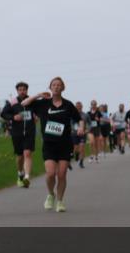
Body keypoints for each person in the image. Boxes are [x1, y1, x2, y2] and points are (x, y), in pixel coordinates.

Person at [21, 77, 83, 213]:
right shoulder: (43, 104)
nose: (56, 87)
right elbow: (24, 103)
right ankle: (51, 194)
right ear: (50, 87)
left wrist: (80, 127)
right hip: (49, 144)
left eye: (59, 85)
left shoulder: (68, 105)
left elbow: (79, 119)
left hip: (65, 144)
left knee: (62, 174)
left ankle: (60, 201)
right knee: (50, 173)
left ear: (63, 88)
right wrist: (38, 95)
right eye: (54, 85)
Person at [1, 82, 36, 187]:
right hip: (17, 132)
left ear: (27, 90)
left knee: (28, 154)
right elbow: (4, 114)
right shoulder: (13, 102)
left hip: (29, 132)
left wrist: (37, 116)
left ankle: (27, 177)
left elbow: (40, 111)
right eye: (20, 89)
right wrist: (13, 117)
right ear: (17, 91)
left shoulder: (32, 101)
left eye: (24, 89)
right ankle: (20, 173)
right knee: (20, 156)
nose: (22, 91)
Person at [73, 101, 89, 168]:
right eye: (77, 106)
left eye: (79, 106)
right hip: (74, 133)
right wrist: (71, 129)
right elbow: (69, 123)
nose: (78, 108)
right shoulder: (72, 114)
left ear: (82, 107)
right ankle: (76, 154)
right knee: (76, 148)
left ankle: (81, 162)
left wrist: (88, 130)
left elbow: (90, 123)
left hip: (83, 134)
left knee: (82, 147)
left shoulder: (85, 115)